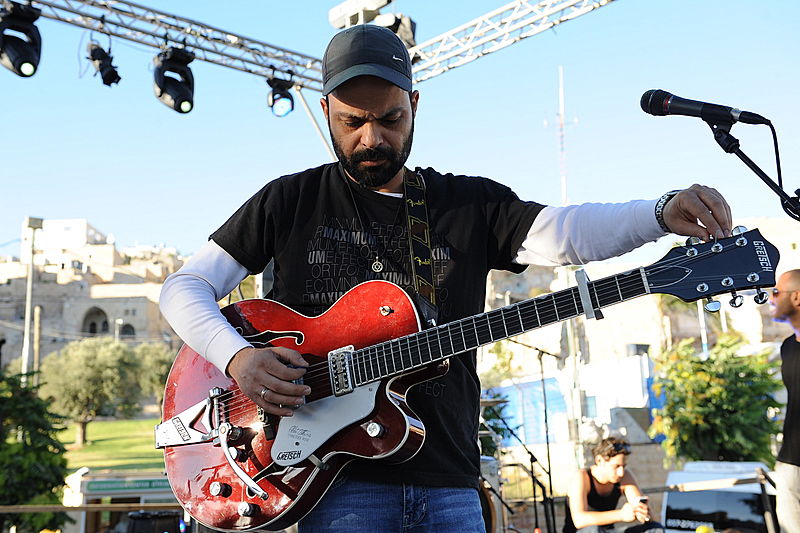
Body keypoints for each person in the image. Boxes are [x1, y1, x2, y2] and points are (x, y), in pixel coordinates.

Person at [159, 24, 733, 532]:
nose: (372, 138)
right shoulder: (290, 200)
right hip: (334, 486)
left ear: (414, 103)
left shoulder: (467, 203)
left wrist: (659, 212)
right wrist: (237, 357)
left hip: (451, 482)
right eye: (352, 122)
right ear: (327, 107)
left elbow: (567, 233)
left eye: (390, 119)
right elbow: (183, 289)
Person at [563, 437, 664, 532]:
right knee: (593, 530)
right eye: (616, 466)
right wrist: (621, 515)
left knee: (655, 528)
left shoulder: (624, 476)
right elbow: (579, 520)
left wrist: (645, 514)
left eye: (624, 466)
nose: (621, 472)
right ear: (599, 461)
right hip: (583, 531)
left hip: (609, 531)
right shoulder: (581, 477)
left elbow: (649, 516)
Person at [768, 269, 800, 533]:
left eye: (776, 292)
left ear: (797, 297)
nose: (770, 298)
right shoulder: (787, 346)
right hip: (790, 461)